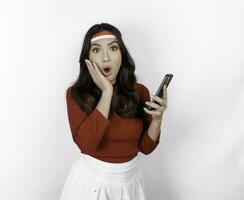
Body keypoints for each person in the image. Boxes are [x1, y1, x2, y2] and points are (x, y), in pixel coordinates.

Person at [60, 22, 168, 200]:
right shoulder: (75, 94)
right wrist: (106, 93)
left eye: (113, 48)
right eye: (96, 50)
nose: (105, 58)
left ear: (122, 55)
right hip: (91, 184)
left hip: (131, 182)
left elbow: (146, 148)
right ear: (87, 59)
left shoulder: (139, 91)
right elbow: (87, 145)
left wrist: (157, 120)